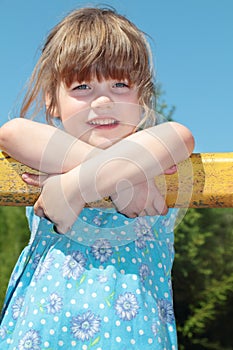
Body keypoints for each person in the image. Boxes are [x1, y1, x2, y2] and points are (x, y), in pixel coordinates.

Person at [0, 7, 194, 349]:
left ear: (142, 97)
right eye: (82, 86)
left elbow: (180, 136)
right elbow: (11, 132)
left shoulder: (154, 149)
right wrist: (118, 179)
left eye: (120, 84)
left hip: (133, 337)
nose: (103, 100)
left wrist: (70, 186)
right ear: (53, 101)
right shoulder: (52, 150)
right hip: (39, 336)